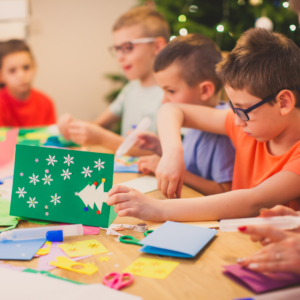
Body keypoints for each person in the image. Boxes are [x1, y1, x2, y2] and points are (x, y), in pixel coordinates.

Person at [106, 28, 300, 222]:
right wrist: (173, 153)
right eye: (233, 108)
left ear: (283, 103)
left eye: (243, 109)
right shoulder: (244, 124)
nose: (237, 120)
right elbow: (172, 110)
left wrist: (159, 209)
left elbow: (254, 201)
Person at [58, 6, 169, 154]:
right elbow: (97, 125)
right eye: (117, 49)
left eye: (128, 47)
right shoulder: (131, 89)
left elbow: (164, 153)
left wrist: (103, 139)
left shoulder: (170, 95)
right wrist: (72, 125)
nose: (119, 57)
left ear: (157, 46)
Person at [136, 34, 235, 195]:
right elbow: (191, 163)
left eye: (171, 91)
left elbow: (225, 191)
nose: (164, 101)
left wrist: (172, 170)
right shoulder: (193, 122)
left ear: (205, 90)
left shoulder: (221, 131)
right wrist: (160, 148)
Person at [0, 40, 56, 126]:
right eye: (12, 70)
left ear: (34, 67)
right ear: (1, 75)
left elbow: (51, 136)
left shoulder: (46, 102)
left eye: (26, 67)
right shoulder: (1, 104)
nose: (21, 75)